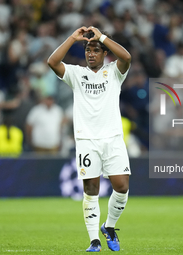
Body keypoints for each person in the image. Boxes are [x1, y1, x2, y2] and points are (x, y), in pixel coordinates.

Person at [47, 26, 131, 252]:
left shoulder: (114, 72)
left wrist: (101, 36)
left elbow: (127, 57)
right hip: (86, 140)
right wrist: (72, 38)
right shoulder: (76, 74)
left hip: (113, 139)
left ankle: (109, 227)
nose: (91, 53)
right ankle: (94, 240)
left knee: (122, 187)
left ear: (105, 54)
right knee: (91, 189)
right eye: (87, 50)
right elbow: (53, 62)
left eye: (96, 50)